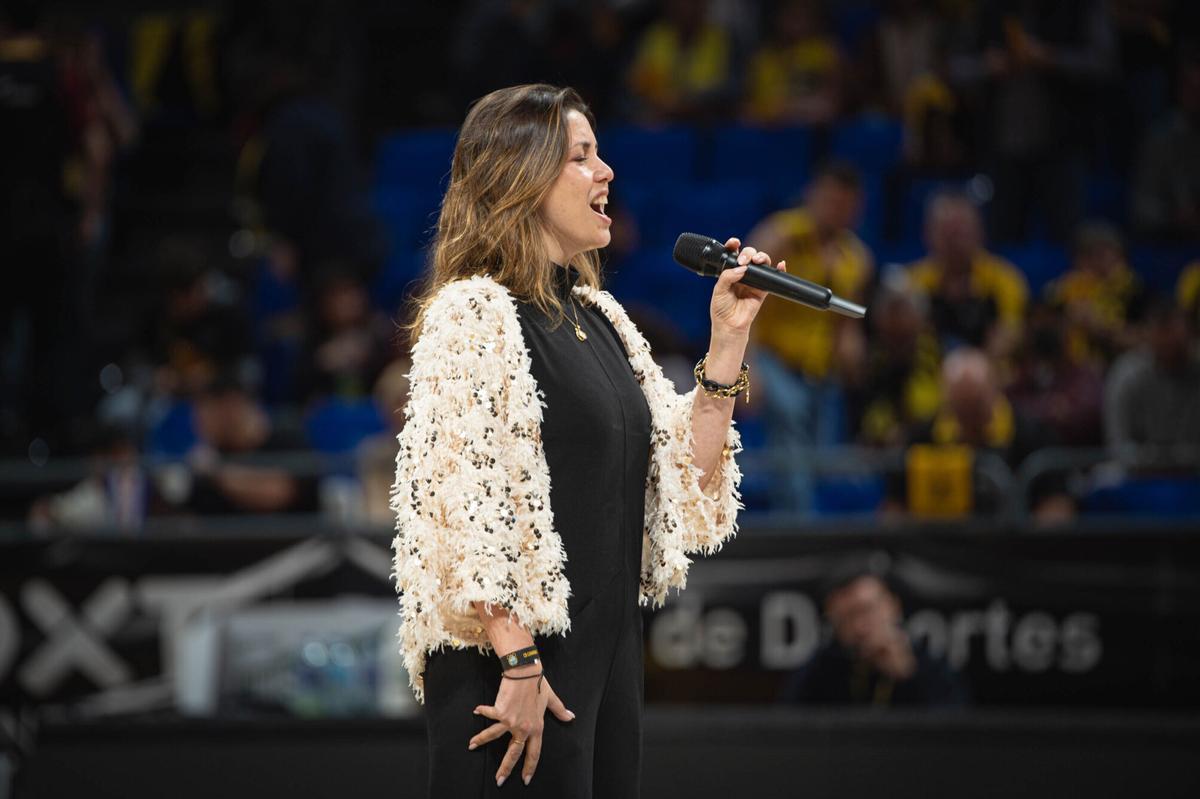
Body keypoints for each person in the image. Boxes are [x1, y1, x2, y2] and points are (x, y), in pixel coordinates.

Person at [390, 84, 777, 797]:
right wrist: (518, 661)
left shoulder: (599, 317)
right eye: (582, 156)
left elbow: (685, 482)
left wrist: (727, 340)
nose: (607, 174)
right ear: (521, 175)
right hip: (514, 676)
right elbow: (465, 503)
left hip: (603, 669)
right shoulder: (473, 311)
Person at [744, 162, 873, 510]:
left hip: (821, 370)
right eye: (831, 200)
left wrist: (851, 348)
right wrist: (748, 366)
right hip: (773, 360)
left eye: (846, 204)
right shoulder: (779, 236)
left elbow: (848, 323)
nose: (838, 211)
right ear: (813, 196)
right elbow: (746, 300)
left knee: (821, 457)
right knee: (791, 425)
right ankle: (797, 526)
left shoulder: (857, 258)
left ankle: (815, 521)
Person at [782, 564, 968, 708]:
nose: (860, 627)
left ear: (893, 606)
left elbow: (954, 733)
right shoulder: (820, 671)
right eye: (846, 617)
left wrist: (907, 676)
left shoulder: (928, 665)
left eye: (868, 610)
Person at [907, 191, 1028, 361]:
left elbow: (1010, 333)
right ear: (928, 235)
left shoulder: (1005, 279)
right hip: (929, 370)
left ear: (979, 233)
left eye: (959, 232)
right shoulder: (913, 282)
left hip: (988, 372)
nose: (953, 242)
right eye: (945, 233)